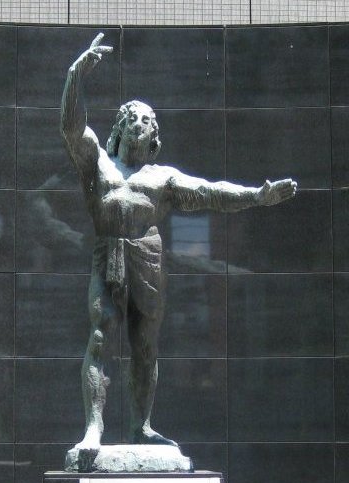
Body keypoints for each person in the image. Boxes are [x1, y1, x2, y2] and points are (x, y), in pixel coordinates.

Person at [60, 33, 297, 454]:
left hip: (147, 259)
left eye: (148, 120)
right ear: (120, 125)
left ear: (154, 135)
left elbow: (211, 192)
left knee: (145, 346)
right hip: (108, 253)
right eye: (134, 117)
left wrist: (258, 196)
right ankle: (93, 429)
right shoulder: (97, 162)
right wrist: (76, 74)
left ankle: (141, 426)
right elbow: (71, 128)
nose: (141, 123)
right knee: (100, 335)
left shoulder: (162, 178)